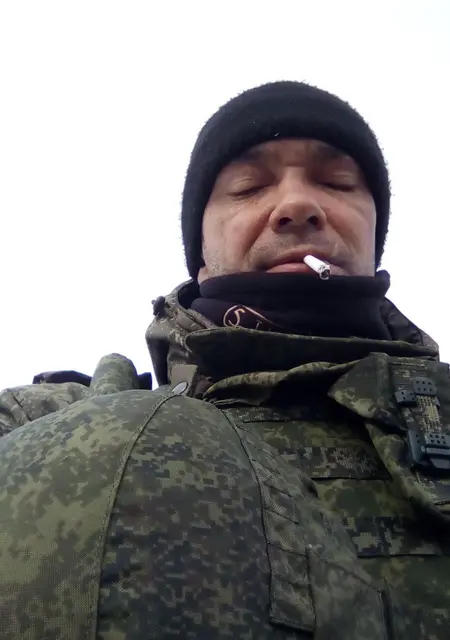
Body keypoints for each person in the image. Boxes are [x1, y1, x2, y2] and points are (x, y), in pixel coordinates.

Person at [0, 81, 448, 640]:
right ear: (202, 260)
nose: (297, 206)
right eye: (248, 188)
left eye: (337, 183)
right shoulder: (46, 419)